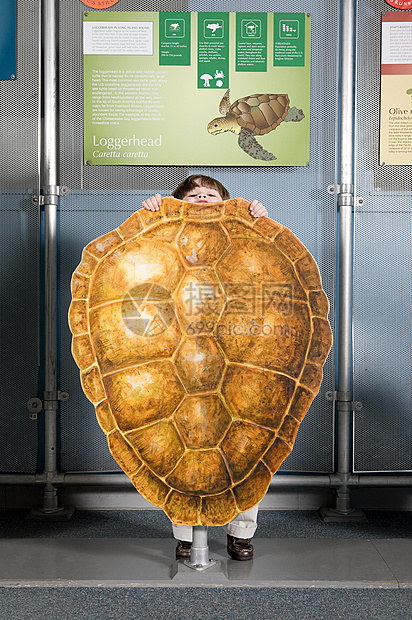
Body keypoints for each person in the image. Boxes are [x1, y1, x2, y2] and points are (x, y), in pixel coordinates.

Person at [142, 175, 267, 561]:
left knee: (246, 446)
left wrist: (259, 219)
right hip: (176, 356)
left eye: (209, 194)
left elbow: (264, 279)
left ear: (224, 201)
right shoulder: (161, 229)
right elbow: (139, 272)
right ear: (179, 201)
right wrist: (149, 217)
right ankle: (184, 529)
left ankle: (241, 530)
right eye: (192, 195)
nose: (201, 199)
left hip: (236, 354)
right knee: (179, 444)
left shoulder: (246, 229)